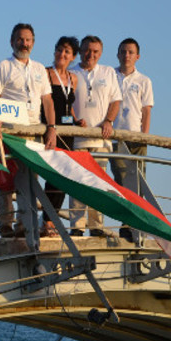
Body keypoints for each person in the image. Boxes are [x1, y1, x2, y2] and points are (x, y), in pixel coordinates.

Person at [0, 23, 57, 238]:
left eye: (28, 40)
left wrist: (51, 128)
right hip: (10, 130)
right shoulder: (2, 66)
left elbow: (47, 101)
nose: (24, 43)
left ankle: (24, 224)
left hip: (34, 129)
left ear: (33, 43)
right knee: (6, 177)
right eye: (20, 39)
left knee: (29, 179)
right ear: (12, 42)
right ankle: (5, 224)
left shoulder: (39, 69)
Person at [70, 35, 122, 237]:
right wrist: (74, 121)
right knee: (78, 182)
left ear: (100, 53)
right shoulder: (71, 71)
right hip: (77, 137)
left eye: (95, 51)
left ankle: (96, 225)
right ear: (80, 51)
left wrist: (108, 120)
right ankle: (77, 225)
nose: (90, 54)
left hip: (101, 137)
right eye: (86, 50)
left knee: (99, 183)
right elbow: (66, 102)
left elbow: (115, 101)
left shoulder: (108, 72)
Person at [111, 38, 154, 242]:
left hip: (136, 137)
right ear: (118, 54)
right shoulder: (110, 76)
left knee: (137, 180)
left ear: (137, 56)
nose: (126, 55)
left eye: (130, 52)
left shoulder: (144, 81)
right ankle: (126, 221)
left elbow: (147, 111)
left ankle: (132, 224)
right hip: (115, 135)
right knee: (120, 180)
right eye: (123, 51)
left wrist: (144, 136)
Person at [40, 37, 80, 238]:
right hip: (50, 129)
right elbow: (46, 101)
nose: (62, 55)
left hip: (67, 132)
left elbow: (67, 105)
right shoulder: (45, 73)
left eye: (67, 52)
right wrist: (51, 126)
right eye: (59, 50)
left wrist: (76, 120)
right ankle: (47, 221)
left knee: (65, 177)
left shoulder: (74, 78)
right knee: (53, 176)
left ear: (73, 56)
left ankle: (51, 218)